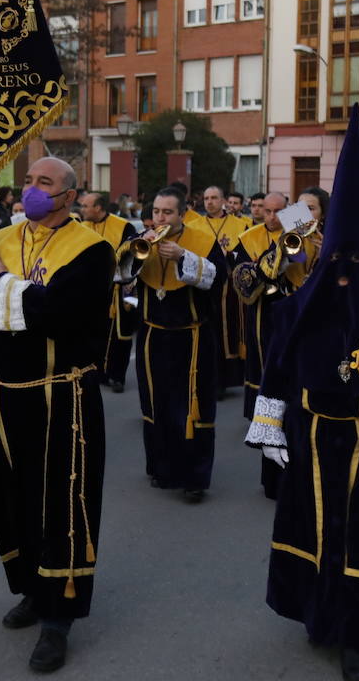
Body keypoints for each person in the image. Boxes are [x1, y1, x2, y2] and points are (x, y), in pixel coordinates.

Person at [246, 109, 359, 681]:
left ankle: (357, 633)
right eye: (336, 264)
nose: (344, 275)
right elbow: (276, 367)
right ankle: (317, 615)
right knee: (311, 529)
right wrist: (270, 427)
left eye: (356, 263)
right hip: (311, 432)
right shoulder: (303, 305)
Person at [0, 157, 112, 674]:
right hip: (4, 395)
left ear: (69, 195)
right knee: (11, 498)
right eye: (28, 181)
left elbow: (60, 312)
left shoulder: (92, 249)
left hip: (61, 397)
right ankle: (29, 588)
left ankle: (58, 617)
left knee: (62, 505)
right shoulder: (1, 240)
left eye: (45, 183)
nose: (32, 190)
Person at [118, 187, 225, 502]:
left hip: (192, 336)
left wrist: (183, 257)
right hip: (152, 334)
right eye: (156, 212)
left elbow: (218, 280)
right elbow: (119, 275)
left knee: (193, 406)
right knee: (156, 403)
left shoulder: (203, 241)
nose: (160, 218)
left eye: (167, 212)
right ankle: (162, 468)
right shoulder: (142, 237)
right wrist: (134, 253)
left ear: (181, 214)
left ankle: (195, 477)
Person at [229, 191, 319, 499]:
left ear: (289, 209)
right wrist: (275, 259)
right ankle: (273, 479)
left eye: (278, 211)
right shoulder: (249, 237)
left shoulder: (303, 226)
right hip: (266, 326)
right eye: (266, 211)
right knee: (271, 398)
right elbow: (242, 281)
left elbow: (320, 262)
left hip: (303, 321)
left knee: (301, 399)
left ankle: (302, 474)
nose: (271, 217)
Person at [78, 191, 138, 392]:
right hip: (90, 292)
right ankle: (97, 372)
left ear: (98, 208)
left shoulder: (123, 226)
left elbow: (131, 259)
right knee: (95, 334)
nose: (82, 209)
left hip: (118, 290)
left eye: (86, 205)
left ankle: (117, 376)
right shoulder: (79, 225)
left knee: (120, 335)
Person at [200, 186, 250, 397]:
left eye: (214, 198)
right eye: (206, 198)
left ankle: (222, 381)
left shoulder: (242, 224)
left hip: (229, 289)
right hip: (203, 287)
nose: (209, 202)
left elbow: (246, 254)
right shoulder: (194, 225)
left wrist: (228, 254)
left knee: (225, 333)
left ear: (223, 201)